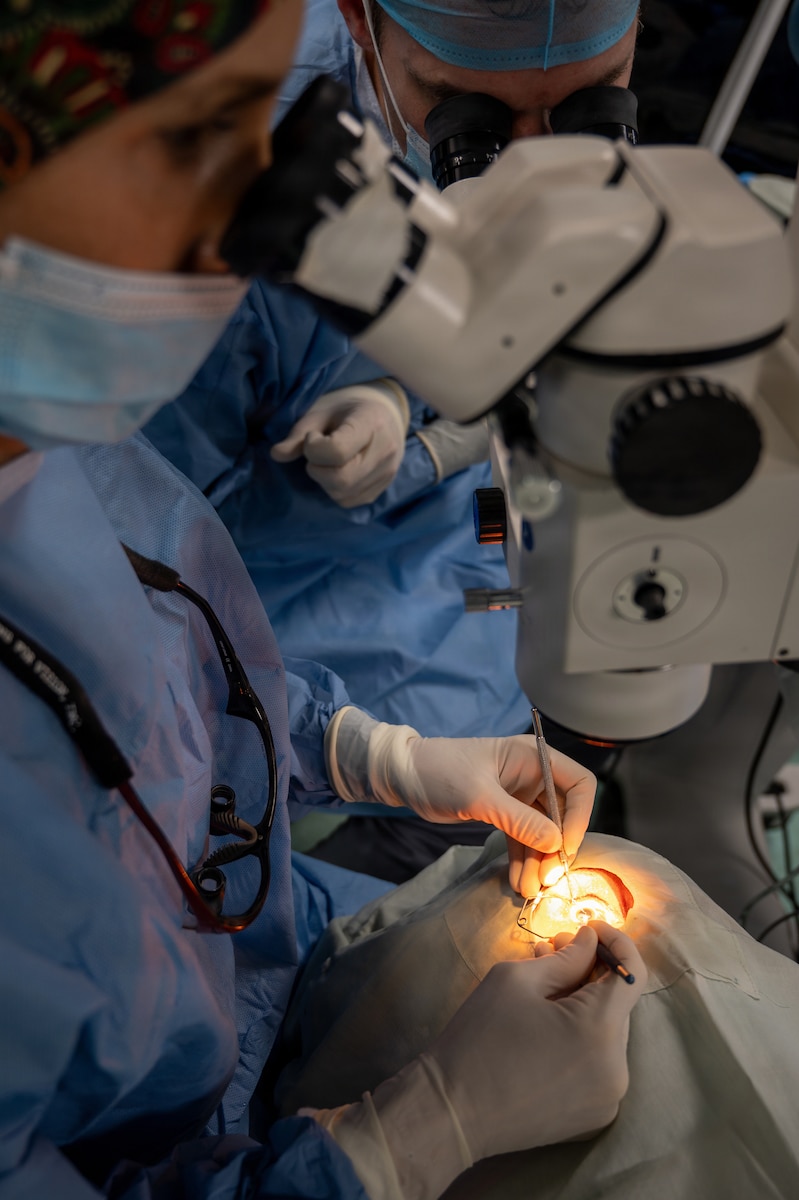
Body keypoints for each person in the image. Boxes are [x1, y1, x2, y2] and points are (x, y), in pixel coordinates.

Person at [0, 5, 646, 1198]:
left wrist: (362, 750)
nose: (281, 206)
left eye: (275, 135)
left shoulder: (65, 454)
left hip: (260, 940)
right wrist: (404, 1142)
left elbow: (157, 669)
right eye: (208, 140)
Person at [143, 0, 642, 874]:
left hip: (481, 608)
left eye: (584, 104)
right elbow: (138, 576)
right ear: (359, 17)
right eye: (466, 113)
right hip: (303, 710)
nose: (528, 158)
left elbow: (536, 346)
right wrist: (366, 757)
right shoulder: (218, 178)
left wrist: (409, 411)